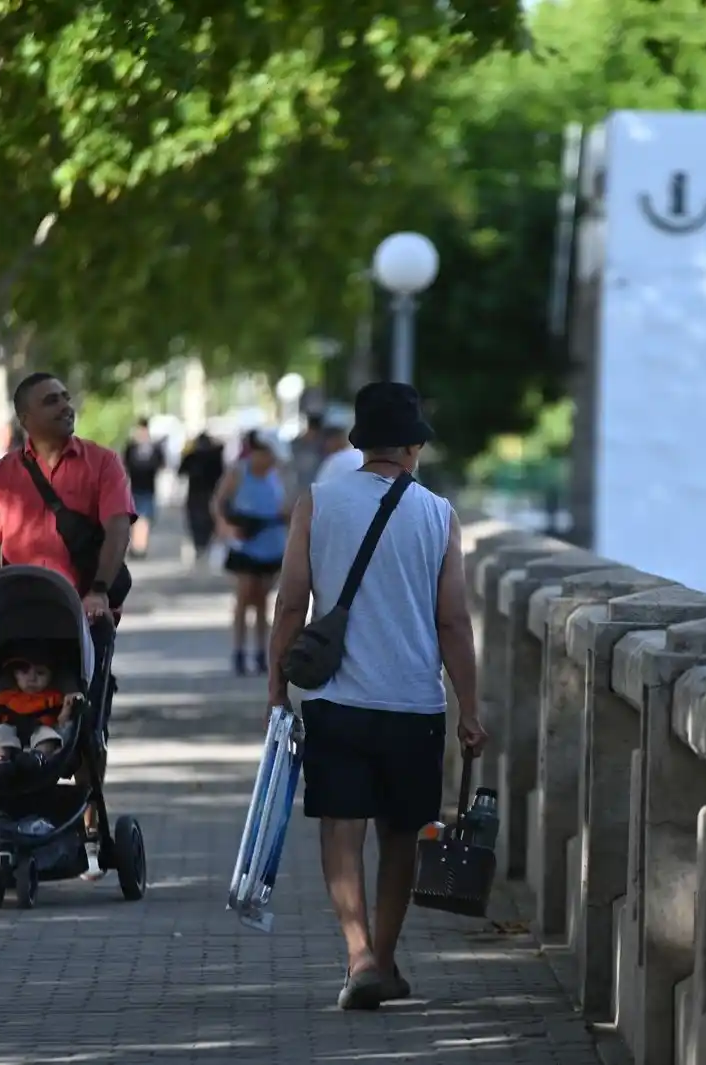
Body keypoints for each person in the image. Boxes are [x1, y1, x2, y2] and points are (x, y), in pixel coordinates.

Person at [266, 382, 488, 1010]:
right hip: (414, 704)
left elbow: (291, 603)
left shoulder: (318, 502)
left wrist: (277, 691)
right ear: (414, 446)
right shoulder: (438, 515)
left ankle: (359, 954)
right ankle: (384, 961)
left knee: (342, 827)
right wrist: (470, 709)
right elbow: (453, 621)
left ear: (361, 443)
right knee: (401, 834)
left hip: (336, 701)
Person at [0, 372, 135, 879]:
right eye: (51, 400)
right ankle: (1, 807)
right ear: (26, 418)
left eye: (66, 397)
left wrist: (99, 590)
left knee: (86, 723)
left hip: (85, 614)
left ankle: (88, 825)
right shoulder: (1, 475)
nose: (65, 405)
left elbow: (117, 527)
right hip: (20, 620)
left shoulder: (102, 462)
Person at [212, 429, 288, 676]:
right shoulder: (238, 472)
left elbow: (288, 505)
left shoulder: (278, 474)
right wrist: (226, 528)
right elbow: (219, 502)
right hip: (244, 542)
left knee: (263, 599)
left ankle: (260, 652)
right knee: (244, 595)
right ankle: (239, 651)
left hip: (271, 541)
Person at [0, 654, 83, 779]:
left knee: (49, 735)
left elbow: (63, 725)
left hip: (40, 732)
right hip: (9, 732)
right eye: (24, 672)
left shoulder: (54, 697)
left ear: (51, 676)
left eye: (40, 673)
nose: (32, 678)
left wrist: (67, 709)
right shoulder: (6, 696)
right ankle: (1, 761)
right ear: (15, 675)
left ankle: (38, 757)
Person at [177, 430, 225, 562]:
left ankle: (199, 545)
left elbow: (181, 472)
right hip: (210, 493)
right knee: (208, 519)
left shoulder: (192, 456)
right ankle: (206, 545)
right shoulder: (215, 456)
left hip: (195, 493)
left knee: (195, 521)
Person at [122, 418, 165, 559]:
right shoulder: (132, 447)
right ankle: (138, 546)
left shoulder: (153, 448)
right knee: (137, 518)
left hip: (147, 487)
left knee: (144, 518)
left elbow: (160, 464)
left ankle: (140, 546)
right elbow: (125, 465)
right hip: (134, 487)